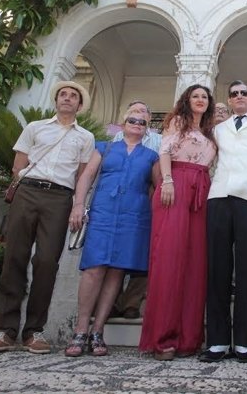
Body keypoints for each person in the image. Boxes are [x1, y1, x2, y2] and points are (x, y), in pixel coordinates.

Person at [0, 81, 95, 355]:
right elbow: (18, 165)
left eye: (73, 96)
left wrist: (76, 203)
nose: (67, 99)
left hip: (59, 198)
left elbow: (82, 175)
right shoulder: (35, 128)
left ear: (80, 105)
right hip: (29, 192)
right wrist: (27, 185)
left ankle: (34, 331)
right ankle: (6, 330)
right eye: (63, 95)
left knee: (46, 262)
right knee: (14, 257)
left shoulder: (85, 137)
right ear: (56, 101)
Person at [64, 110, 159, 357]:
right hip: (103, 213)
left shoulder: (151, 155)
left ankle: (98, 330)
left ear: (147, 129)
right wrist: (78, 205)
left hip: (133, 217)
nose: (137, 124)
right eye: (132, 120)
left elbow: (157, 187)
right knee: (94, 268)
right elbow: (86, 176)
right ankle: (81, 329)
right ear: (122, 124)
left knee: (116, 271)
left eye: (142, 122)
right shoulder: (104, 148)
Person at [139, 84, 217, 360]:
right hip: (176, 184)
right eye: (195, 96)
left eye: (204, 97)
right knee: (169, 259)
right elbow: (164, 152)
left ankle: (188, 338)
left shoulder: (210, 131)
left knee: (195, 262)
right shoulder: (177, 122)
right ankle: (162, 338)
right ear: (187, 100)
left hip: (202, 189)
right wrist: (168, 180)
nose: (200, 100)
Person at [201, 81, 247, 364]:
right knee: (217, 268)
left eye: (244, 93)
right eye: (234, 94)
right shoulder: (218, 129)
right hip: (218, 196)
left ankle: (244, 343)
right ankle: (217, 341)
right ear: (228, 101)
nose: (239, 97)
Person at [110, 101, 161, 320]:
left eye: (143, 112)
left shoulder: (158, 140)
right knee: (118, 249)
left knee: (144, 250)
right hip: (121, 199)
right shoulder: (116, 138)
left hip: (147, 196)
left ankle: (131, 302)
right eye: (134, 112)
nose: (139, 116)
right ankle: (112, 301)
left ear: (149, 118)